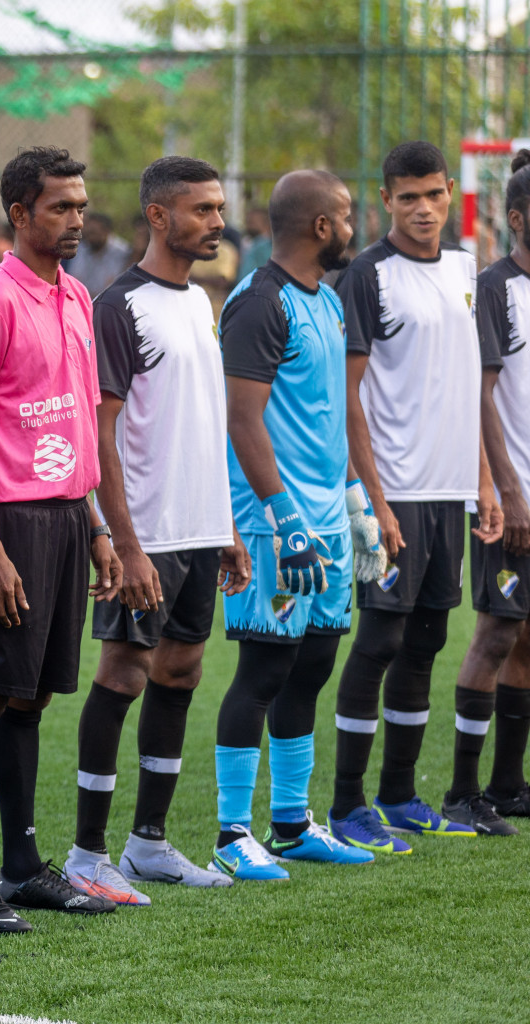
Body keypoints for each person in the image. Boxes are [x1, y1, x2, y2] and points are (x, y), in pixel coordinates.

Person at [0, 147, 123, 933]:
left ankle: (21, 868)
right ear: (20, 214)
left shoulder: (78, 295)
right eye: (60, 207)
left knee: (34, 694)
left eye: (81, 205)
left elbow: (76, 424)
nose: (76, 219)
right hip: (11, 523)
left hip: (65, 518)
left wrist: (98, 528)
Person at [76, 156, 251, 903]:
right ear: (158, 216)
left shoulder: (200, 302)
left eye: (218, 209)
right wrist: (125, 541)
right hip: (143, 534)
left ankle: (148, 842)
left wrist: (227, 526)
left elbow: (198, 424)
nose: (216, 222)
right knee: (122, 675)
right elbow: (100, 433)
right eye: (202, 210)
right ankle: (87, 854)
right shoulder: (121, 306)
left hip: (200, 529)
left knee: (180, 675)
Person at [327, 140, 505, 849]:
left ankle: (400, 795)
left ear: (448, 192)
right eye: (408, 198)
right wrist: (372, 498)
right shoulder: (368, 275)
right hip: (393, 493)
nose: (423, 210)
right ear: (387, 202)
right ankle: (347, 804)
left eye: (434, 195)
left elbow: (474, 384)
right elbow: (348, 394)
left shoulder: (468, 271)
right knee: (378, 641)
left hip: (451, 492)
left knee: (427, 640)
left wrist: (485, 485)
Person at [209, 170, 380, 880]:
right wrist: (284, 516)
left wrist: (355, 502)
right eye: (345, 216)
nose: (352, 226)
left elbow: (328, 412)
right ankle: (229, 834)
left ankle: (291, 824)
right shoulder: (258, 303)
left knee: (312, 664)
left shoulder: (329, 301)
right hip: (276, 522)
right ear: (319, 227)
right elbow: (242, 418)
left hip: (327, 520)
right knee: (264, 667)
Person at [444, 150, 530, 830]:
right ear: (517, 219)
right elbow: (482, 396)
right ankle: (461, 792)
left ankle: (507, 785)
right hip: (513, 499)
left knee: (527, 639)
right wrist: (507, 488)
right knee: (497, 633)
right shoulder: (495, 290)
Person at [63, 211, 130, 297]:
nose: (90, 237)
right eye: (89, 233)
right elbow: (74, 280)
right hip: (81, 300)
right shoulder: (83, 247)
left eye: (94, 233)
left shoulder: (121, 252)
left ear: (107, 231)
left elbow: (111, 288)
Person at [242, 207, 272, 275]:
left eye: (252, 222)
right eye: (247, 221)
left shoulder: (265, 246)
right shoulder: (246, 242)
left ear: (266, 223)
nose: (248, 226)